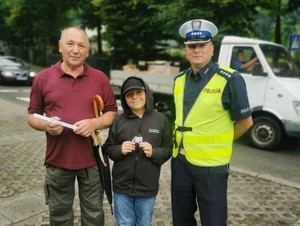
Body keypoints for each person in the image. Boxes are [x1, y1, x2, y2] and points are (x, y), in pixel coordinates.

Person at [27, 26, 117, 226]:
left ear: (87, 51)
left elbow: (111, 112)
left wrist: (95, 122)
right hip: (57, 160)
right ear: (60, 46)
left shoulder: (100, 78)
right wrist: (46, 126)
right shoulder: (43, 78)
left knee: (94, 216)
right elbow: (32, 116)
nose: (76, 50)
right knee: (59, 216)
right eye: (70, 44)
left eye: (81, 45)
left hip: (92, 160)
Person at [171, 19, 253, 226]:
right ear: (186, 50)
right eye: (192, 46)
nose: (197, 50)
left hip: (211, 168)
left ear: (212, 48)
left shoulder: (230, 79)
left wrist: (221, 140)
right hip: (180, 162)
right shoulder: (179, 79)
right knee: (181, 219)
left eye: (202, 45)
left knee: (213, 221)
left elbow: (246, 122)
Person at [103, 76, 173, 226]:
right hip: (122, 188)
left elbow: (168, 149)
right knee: (125, 223)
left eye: (139, 92)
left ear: (147, 93)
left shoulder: (161, 120)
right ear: (124, 98)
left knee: (144, 223)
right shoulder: (118, 121)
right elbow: (108, 148)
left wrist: (154, 152)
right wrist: (119, 149)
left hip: (147, 188)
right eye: (129, 94)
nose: (135, 97)